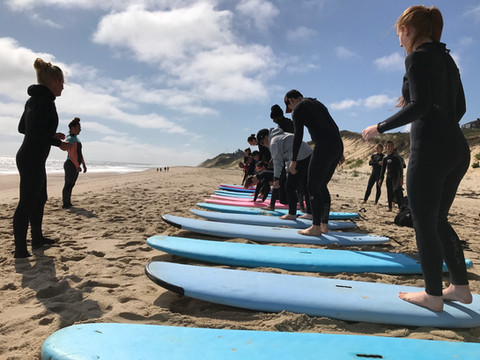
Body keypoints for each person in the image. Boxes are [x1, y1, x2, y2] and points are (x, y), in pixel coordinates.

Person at [361, 5, 472, 311]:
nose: (399, 42)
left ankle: (433, 295)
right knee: (437, 220)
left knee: (424, 222)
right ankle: (460, 288)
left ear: (407, 29)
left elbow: (419, 105)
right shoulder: (447, 60)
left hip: (431, 148)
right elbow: (460, 108)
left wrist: (379, 127)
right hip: (457, 147)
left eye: (399, 33)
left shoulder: (417, 56)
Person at [13, 58, 72, 258]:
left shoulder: (33, 100)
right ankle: (20, 249)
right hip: (31, 158)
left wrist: (51, 135)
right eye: (61, 82)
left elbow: (24, 128)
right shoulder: (46, 102)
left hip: (31, 156)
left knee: (40, 198)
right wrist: (59, 144)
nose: (63, 87)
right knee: (27, 202)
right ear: (54, 81)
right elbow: (33, 132)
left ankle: (37, 238)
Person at [284, 90, 344, 235]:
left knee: (312, 186)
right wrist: (340, 151)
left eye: (289, 105)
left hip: (323, 146)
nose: (290, 109)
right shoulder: (318, 103)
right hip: (336, 144)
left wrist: (293, 160)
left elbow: (298, 135)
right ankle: (324, 225)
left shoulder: (298, 108)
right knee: (322, 185)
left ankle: (315, 227)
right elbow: (333, 126)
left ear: (291, 100)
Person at [257, 128, 313, 220]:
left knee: (289, 187)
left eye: (262, 143)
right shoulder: (282, 135)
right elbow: (287, 155)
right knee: (305, 186)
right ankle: (310, 213)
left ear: (266, 137)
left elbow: (277, 161)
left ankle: (292, 214)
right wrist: (288, 170)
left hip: (300, 158)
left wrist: (276, 178)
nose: (264, 145)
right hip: (308, 156)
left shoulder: (274, 141)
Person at [62, 117, 87, 209]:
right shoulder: (70, 138)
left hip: (75, 165)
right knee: (68, 184)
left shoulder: (76, 139)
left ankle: (68, 202)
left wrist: (83, 164)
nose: (80, 130)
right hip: (70, 164)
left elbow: (80, 154)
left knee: (71, 184)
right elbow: (71, 154)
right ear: (73, 128)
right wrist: (77, 165)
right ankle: (65, 204)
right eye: (78, 128)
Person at [378, 141, 404, 211]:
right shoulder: (385, 158)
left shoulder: (397, 157)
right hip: (389, 177)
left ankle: (400, 208)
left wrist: (401, 178)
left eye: (391, 146)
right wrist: (380, 179)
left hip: (396, 177)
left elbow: (401, 168)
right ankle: (390, 207)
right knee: (389, 192)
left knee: (397, 191)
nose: (389, 147)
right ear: (386, 147)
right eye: (388, 146)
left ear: (393, 147)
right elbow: (383, 170)